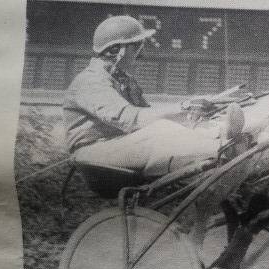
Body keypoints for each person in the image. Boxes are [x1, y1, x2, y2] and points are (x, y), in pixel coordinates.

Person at [64, 15, 243, 181]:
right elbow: (131, 120)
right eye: (137, 46)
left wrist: (194, 113)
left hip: (114, 147)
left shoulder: (122, 79)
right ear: (115, 50)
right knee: (160, 129)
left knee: (169, 127)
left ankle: (216, 136)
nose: (141, 54)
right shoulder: (90, 81)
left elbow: (148, 115)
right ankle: (220, 146)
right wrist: (184, 106)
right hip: (93, 155)